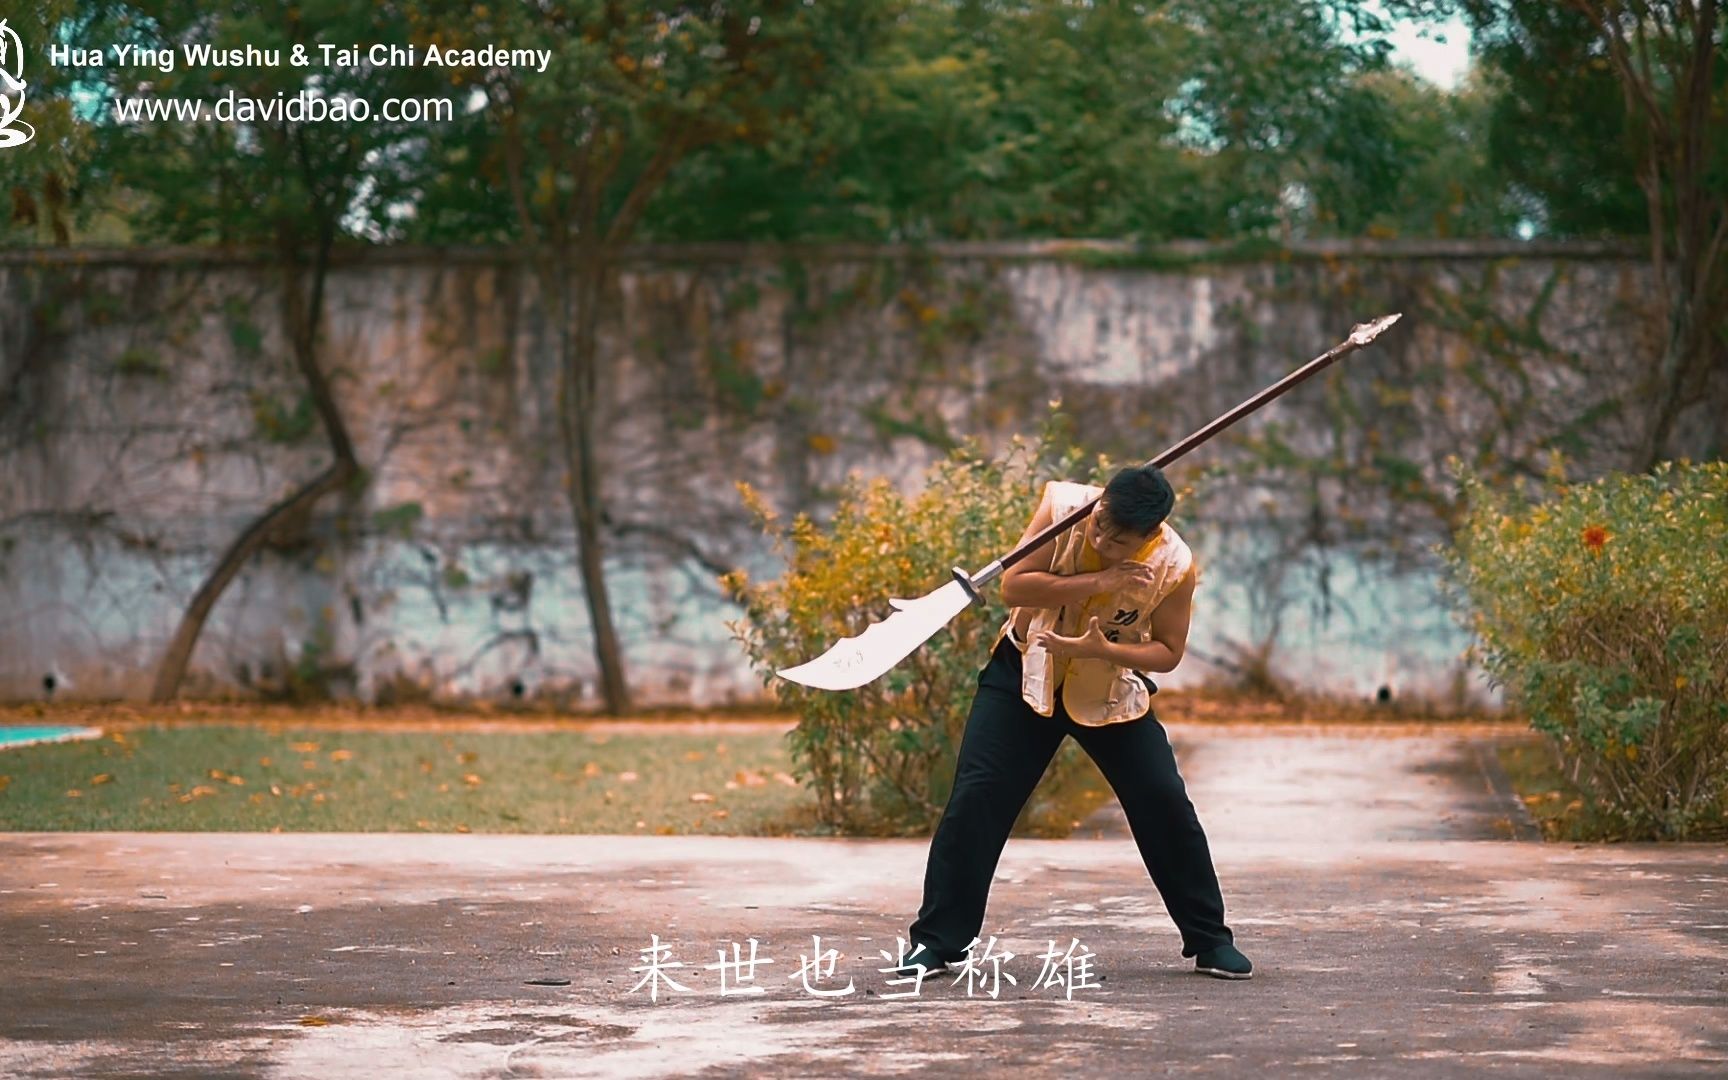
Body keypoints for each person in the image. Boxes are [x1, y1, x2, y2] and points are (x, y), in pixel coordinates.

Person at [897, 464, 1252, 981]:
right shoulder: (1064, 509)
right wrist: (1099, 579)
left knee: (1163, 801)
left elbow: (1169, 651)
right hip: (1023, 672)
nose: (1101, 536)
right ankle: (938, 942)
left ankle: (1210, 941)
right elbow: (1015, 586)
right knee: (977, 798)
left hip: (1107, 687)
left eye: (1118, 538)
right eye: (1101, 521)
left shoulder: (1174, 565)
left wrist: (1104, 648)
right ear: (1100, 500)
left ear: (1149, 536)